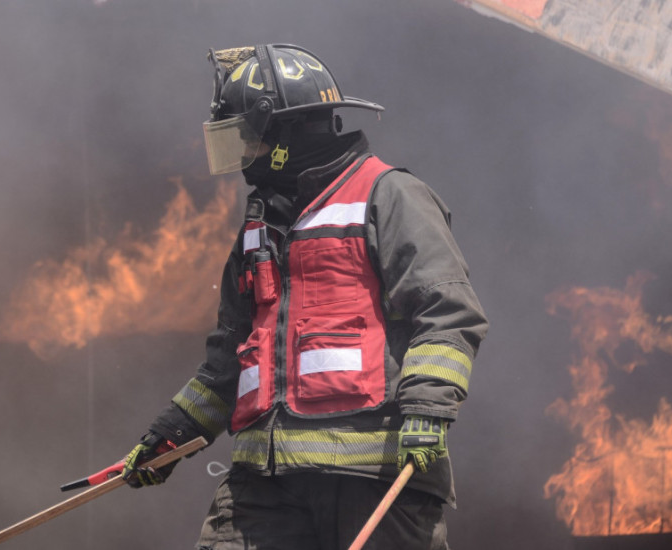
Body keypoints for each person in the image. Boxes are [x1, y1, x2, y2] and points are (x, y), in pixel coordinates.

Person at [122, 44, 488, 550]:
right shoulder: (259, 228)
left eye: (246, 137)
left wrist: (428, 409)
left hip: (371, 473)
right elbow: (230, 357)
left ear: (282, 135)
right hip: (262, 484)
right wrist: (173, 433)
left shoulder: (388, 195)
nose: (244, 154)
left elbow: (447, 313)